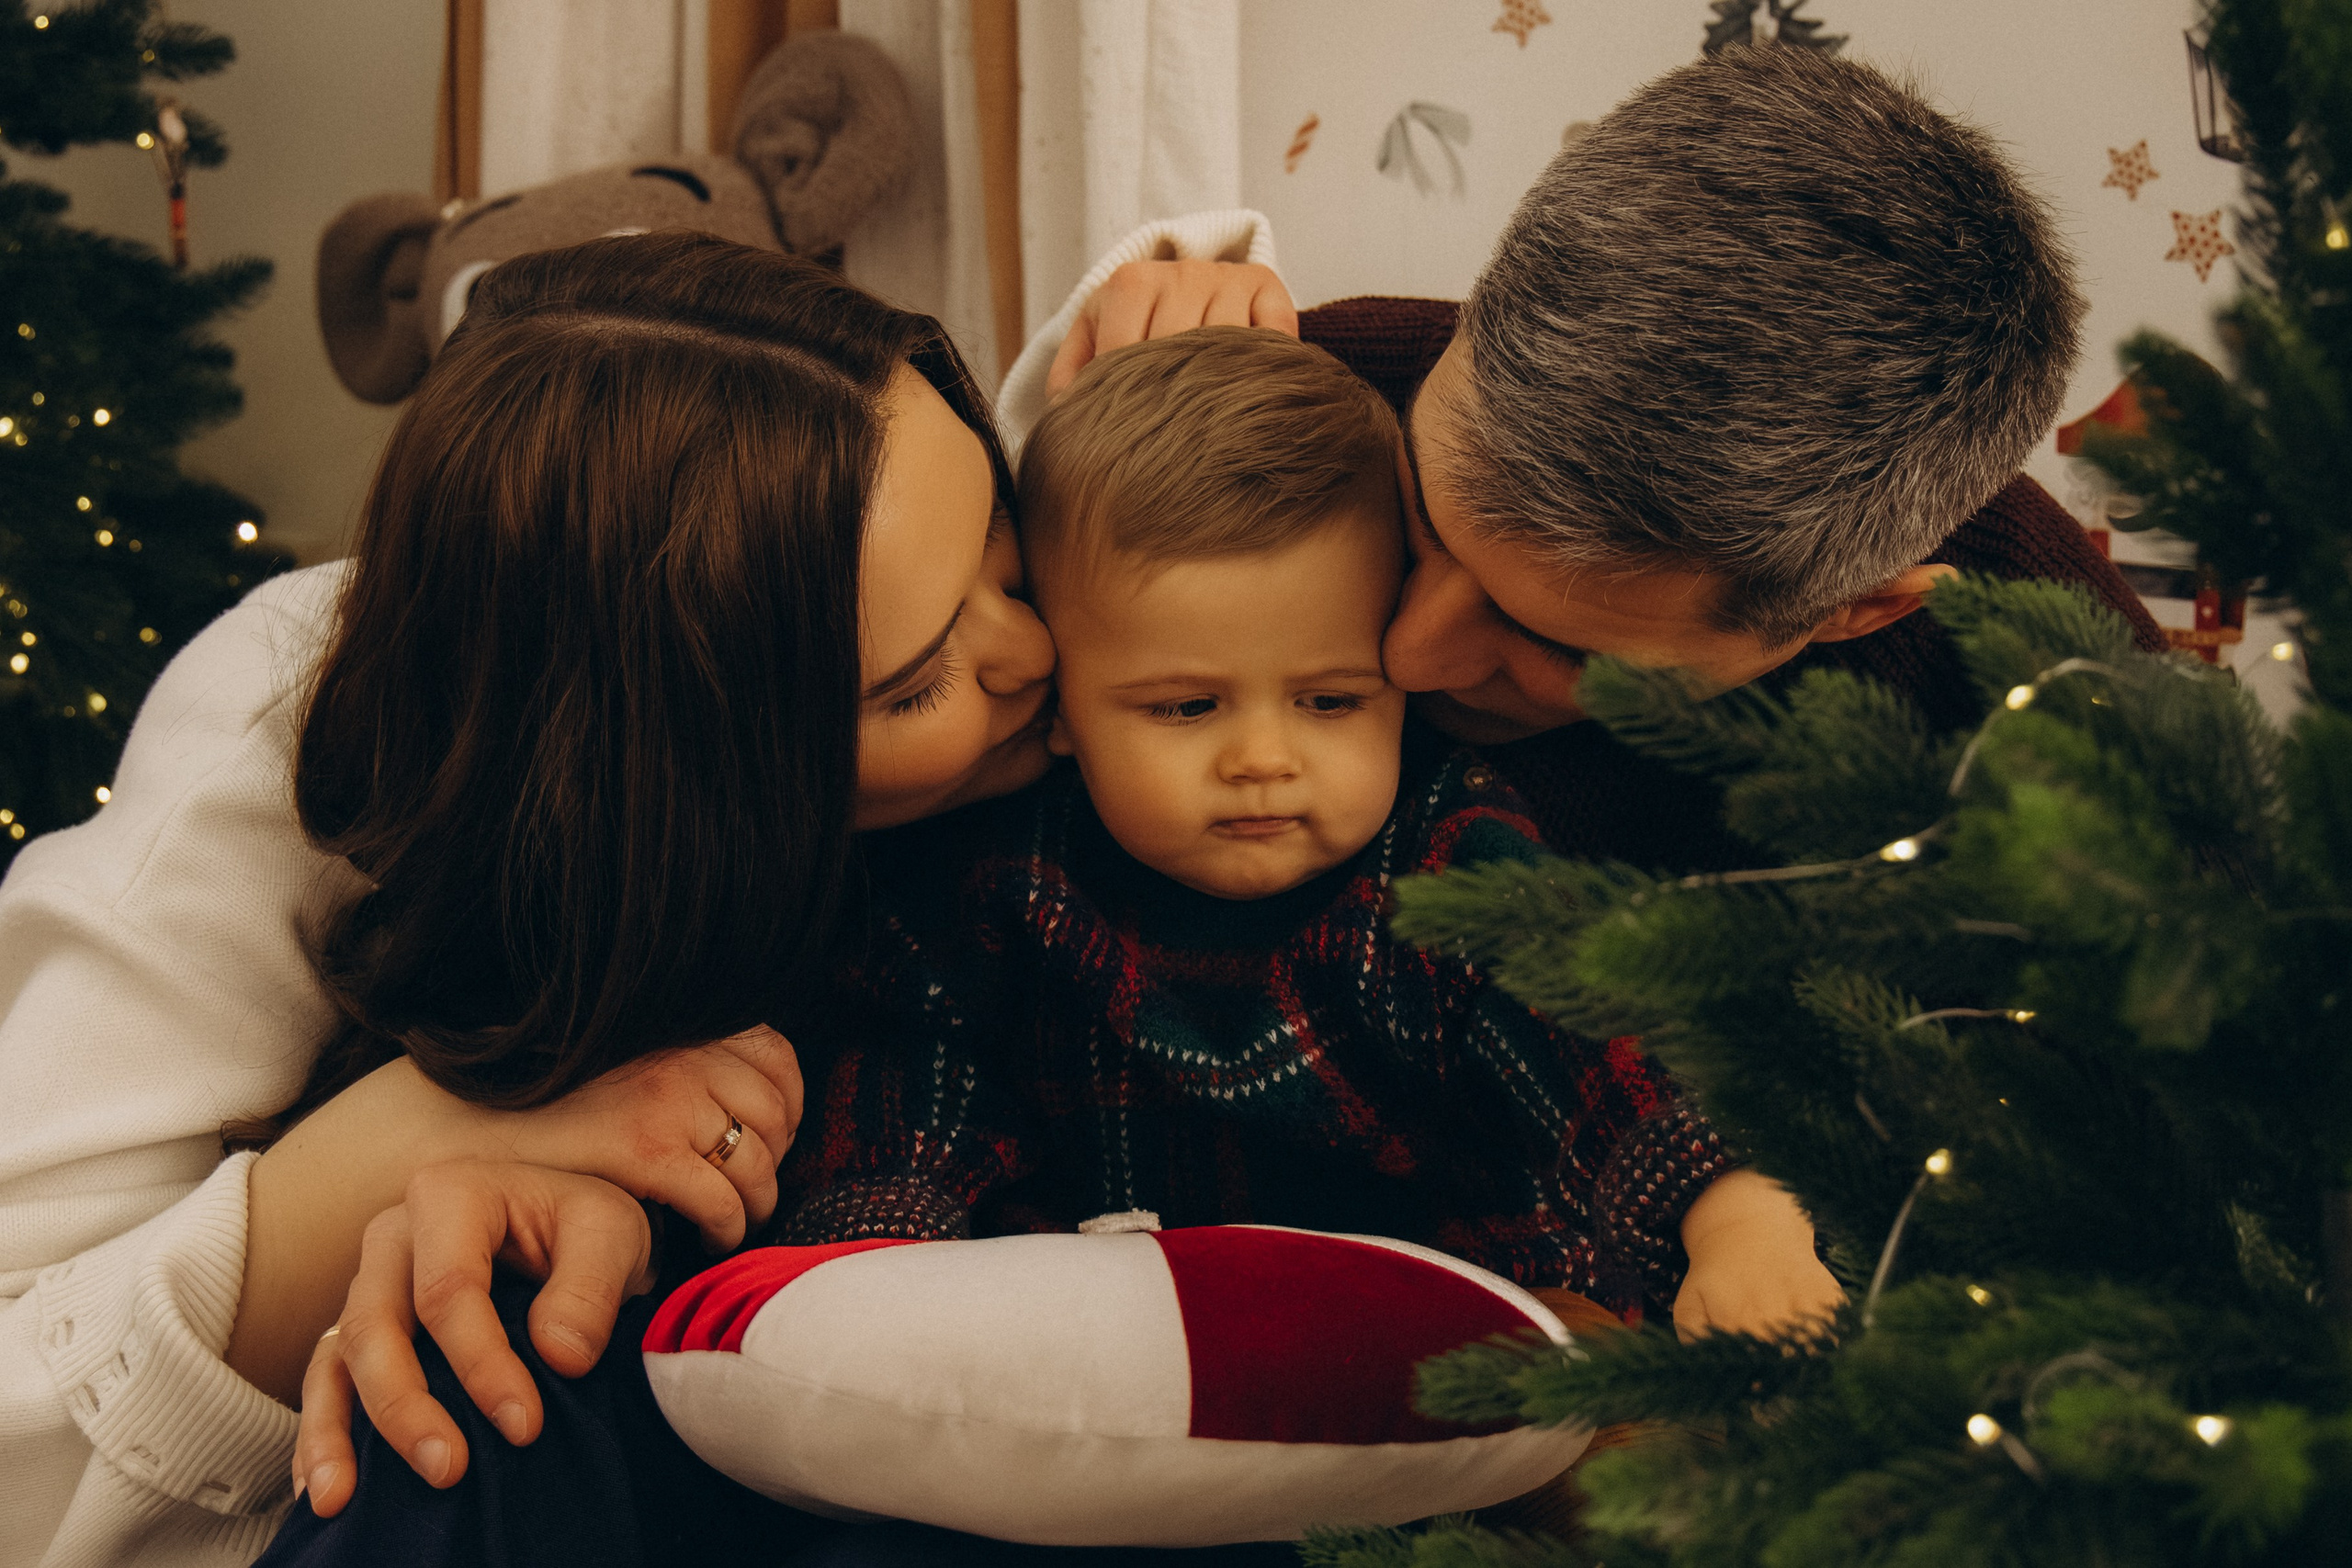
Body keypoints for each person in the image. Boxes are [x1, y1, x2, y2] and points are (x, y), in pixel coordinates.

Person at [0, 231, 1056, 1565]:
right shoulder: (282, 758)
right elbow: (16, 1431)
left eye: (1005, 558)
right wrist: (431, 1134)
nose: (1033, 651)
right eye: (913, 685)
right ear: (687, 773)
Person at [787, 326, 1838, 1338]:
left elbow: (1594, 1017)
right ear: (1064, 699)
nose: (1262, 759)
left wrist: (1737, 1212)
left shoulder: (1444, 850)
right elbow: (913, 1078)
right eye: (1186, 708)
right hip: (1113, 1326)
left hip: (1446, 1325)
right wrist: (880, 1248)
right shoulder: (1002, 875)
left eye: (1330, 702)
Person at [1019, 46, 2165, 881]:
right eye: (1421, 513)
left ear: (1858, 613)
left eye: (1559, 646)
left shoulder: (2042, 673)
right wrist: (1080, 362)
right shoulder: (1341, 382)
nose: (1412, 657)